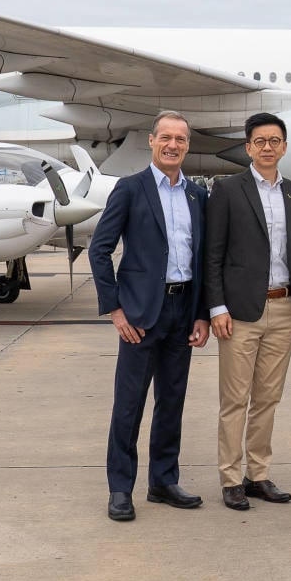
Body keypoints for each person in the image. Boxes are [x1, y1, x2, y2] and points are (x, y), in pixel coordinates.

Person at [90, 110, 211, 522]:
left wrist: (201, 314)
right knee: (129, 405)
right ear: (152, 141)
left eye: (181, 139)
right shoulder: (130, 189)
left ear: (187, 145)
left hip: (182, 310)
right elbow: (100, 250)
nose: (173, 145)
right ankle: (120, 489)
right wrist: (115, 308)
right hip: (140, 314)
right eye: (166, 138)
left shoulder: (197, 196)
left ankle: (163, 481)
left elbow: (201, 259)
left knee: (171, 402)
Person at [203, 111, 291, 511]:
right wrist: (217, 307)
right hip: (239, 313)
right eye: (260, 141)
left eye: (274, 141)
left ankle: (258, 475)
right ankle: (231, 478)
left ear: (284, 147)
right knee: (235, 399)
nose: (268, 147)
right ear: (248, 148)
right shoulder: (228, 189)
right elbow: (213, 253)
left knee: (268, 398)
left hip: (284, 308)